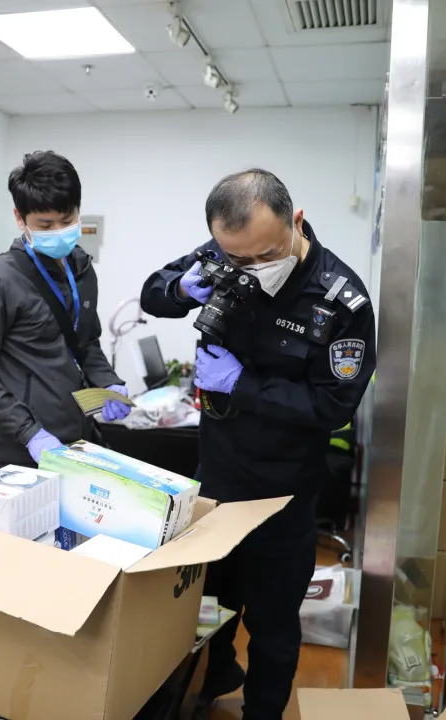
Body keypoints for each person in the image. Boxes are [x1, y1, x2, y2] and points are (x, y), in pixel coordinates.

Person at [140, 169, 376, 719]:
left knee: (272, 628)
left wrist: (241, 384)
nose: (249, 266)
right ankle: (210, 683)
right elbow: (154, 292)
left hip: (282, 496)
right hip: (217, 485)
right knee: (203, 611)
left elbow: (333, 407)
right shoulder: (226, 250)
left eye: (264, 254)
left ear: (296, 221)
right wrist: (181, 290)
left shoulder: (341, 300)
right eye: (235, 257)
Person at [0, 151, 130, 471]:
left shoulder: (82, 269)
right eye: (45, 224)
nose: (59, 230)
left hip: (76, 439)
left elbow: (86, 342)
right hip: (20, 449)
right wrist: (29, 432)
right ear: (20, 219)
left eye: (67, 220)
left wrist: (108, 382)